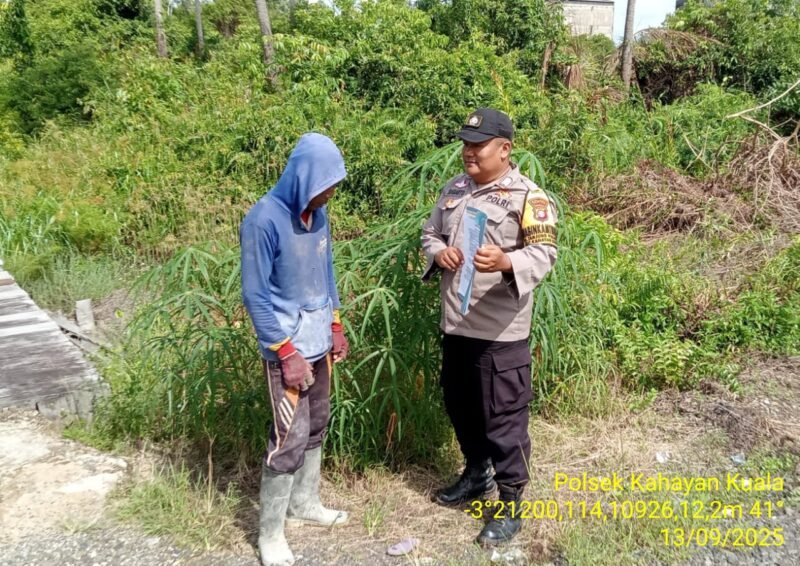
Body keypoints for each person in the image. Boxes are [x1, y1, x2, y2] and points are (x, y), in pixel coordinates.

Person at [421, 108, 558, 546]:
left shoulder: (528, 198)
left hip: (501, 334)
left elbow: (544, 256)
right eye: (465, 144)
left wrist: (506, 262)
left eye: (477, 146)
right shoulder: (454, 189)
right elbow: (429, 233)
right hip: (457, 325)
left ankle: (511, 502)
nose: (468, 153)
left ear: (504, 149)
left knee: (504, 421)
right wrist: (438, 252)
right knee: (461, 406)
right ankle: (476, 475)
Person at [240, 132, 350, 566]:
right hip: (286, 348)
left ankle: (305, 503)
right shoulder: (262, 220)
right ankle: (270, 534)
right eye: (327, 183)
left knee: (318, 424)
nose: (331, 192)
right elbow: (255, 296)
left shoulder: (318, 215)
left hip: (319, 342)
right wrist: (284, 352)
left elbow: (327, 273)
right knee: (289, 436)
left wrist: (336, 323)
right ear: (304, 177)